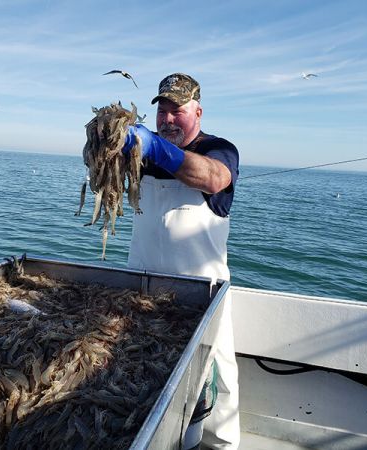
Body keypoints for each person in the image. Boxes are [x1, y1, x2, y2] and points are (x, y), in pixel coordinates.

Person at [122, 73, 240, 449]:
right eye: (163, 112)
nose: (168, 119)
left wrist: (157, 149)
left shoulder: (219, 150)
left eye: (178, 111)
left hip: (202, 296)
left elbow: (214, 178)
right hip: (140, 289)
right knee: (139, 372)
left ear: (198, 112)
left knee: (215, 381)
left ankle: (220, 446)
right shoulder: (141, 157)